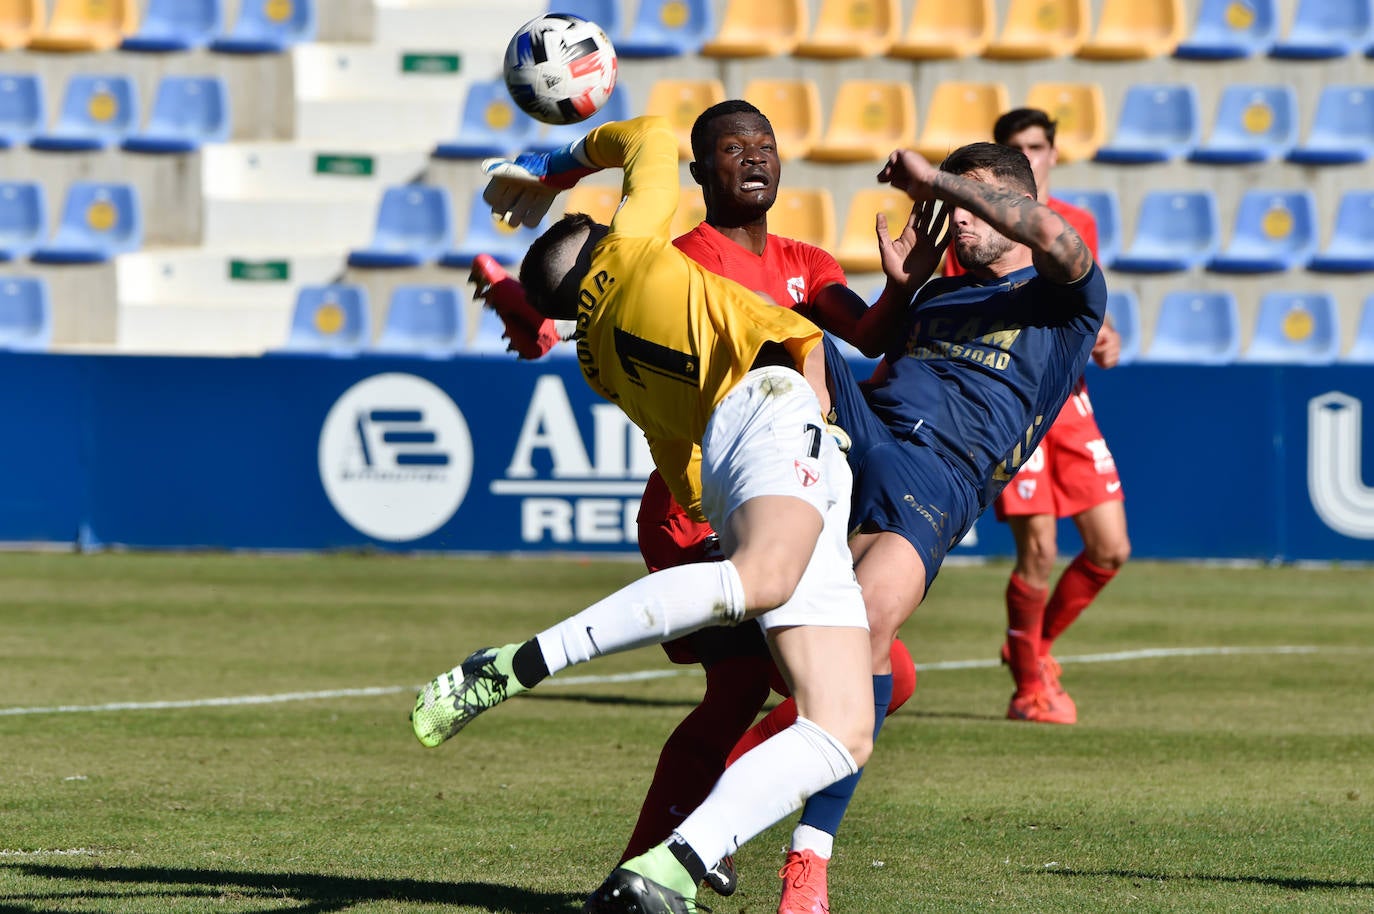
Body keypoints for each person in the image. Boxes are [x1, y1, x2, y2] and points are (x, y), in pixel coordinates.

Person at [412, 114, 880, 914]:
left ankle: (669, 867)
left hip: (741, 463)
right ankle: (521, 661)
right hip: (776, 414)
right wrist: (559, 164)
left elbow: (677, 452)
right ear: (604, 240)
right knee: (759, 592)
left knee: (844, 724)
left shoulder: (598, 360)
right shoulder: (636, 250)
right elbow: (652, 135)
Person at [725, 139, 1108, 912]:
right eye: (951, 206)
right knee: (788, 347)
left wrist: (938, 179)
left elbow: (1056, 238)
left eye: (976, 204)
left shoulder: (1066, 299)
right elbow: (869, 363)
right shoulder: (936, 298)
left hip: (940, 474)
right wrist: (902, 293)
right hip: (864, 437)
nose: (957, 220)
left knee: (863, 624)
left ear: (1016, 202)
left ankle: (806, 861)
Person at [944, 107, 1131, 724]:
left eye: (1040, 145)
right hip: (1011, 394)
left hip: (1068, 395)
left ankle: (1031, 645)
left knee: (1110, 548)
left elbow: (1082, 299)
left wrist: (1106, 336)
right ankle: (1029, 687)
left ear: (1051, 155)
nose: (1034, 155)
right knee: (1041, 550)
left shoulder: (1076, 225)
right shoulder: (971, 228)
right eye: (1019, 148)